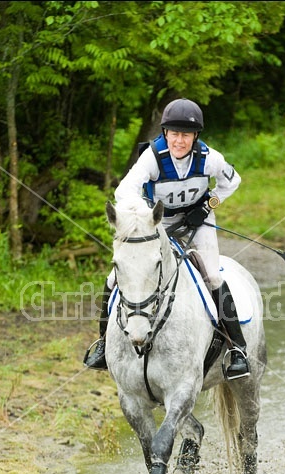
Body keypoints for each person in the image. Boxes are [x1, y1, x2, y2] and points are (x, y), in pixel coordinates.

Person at [84, 98, 250, 378]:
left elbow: (232, 182)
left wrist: (209, 205)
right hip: (158, 222)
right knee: (113, 278)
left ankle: (238, 350)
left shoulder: (210, 159)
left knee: (212, 276)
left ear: (195, 136)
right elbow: (123, 192)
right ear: (165, 134)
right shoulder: (152, 157)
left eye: (186, 135)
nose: (179, 140)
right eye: (174, 134)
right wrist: (144, 217)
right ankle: (102, 344)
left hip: (199, 221)